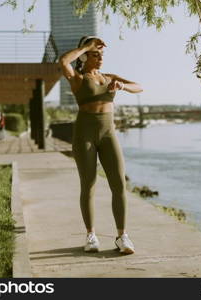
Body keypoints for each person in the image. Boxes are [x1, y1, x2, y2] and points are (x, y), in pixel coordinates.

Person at [59, 36, 143, 254]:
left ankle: (122, 237)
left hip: (109, 134)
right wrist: (86, 46)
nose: (100, 58)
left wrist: (122, 86)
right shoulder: (78, 78)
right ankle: (91, 235)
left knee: (118, 184)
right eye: (95, 54)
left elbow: (139, 87)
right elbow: (63, 61)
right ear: (86, 56)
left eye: (101, 54)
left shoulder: (109, 77)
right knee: (88, 184)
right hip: (84, 135)